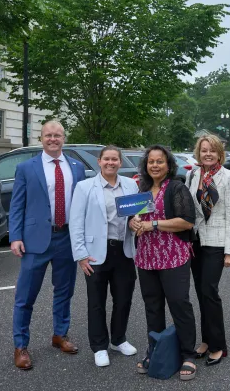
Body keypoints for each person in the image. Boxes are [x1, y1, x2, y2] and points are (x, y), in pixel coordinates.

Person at [10, 121, 86, 370]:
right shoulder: (26, 168)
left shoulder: (76, 168)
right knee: (25, 296)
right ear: (41, 138)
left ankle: (59, 335)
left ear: (64, 138)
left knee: (64, 292)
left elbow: (83, 206)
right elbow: (17, 205)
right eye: (48, 135)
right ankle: (21, 346)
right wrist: (15, 236)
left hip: (66, 239)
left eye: (57, 135)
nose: (53, 139)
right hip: (35, 240)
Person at [128, 145, 197, 381]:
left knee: (179, 303)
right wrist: (134, 224)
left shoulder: (176, 187)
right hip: (147, 258)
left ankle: (188, 354)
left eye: (160, 161)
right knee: (152, 306)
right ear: (146, 165)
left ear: (168, 165)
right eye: (151, 162)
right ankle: (154, 350)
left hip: (173, 255)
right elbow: (134, 217)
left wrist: (153, 224)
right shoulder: (143, 188)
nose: (155, 165)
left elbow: (187, 221)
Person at [69, 145, 139, 367]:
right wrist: (81, 255)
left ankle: (118, 339)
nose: (111, 163)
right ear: (99, 161)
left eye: (115, 159)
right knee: (96, 302)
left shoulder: (131, 185)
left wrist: (137, 221)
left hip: (124, 251)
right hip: (96, 253)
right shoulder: (84, 187)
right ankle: (99, 346)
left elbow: (135, 215)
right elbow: (76, 222)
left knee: (123, 299)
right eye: (106, 159)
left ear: (120, 162)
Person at [186, 134, 230, 366]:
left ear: (219, 153)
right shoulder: (193, 174)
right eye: (204, 150)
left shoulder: (228, 177)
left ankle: (219, 345)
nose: (208, 154)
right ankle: (206, 340)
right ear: (199, 152)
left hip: (217, 243)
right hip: (195, 241)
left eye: (212, 150)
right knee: (200, 292)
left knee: (210, 291)